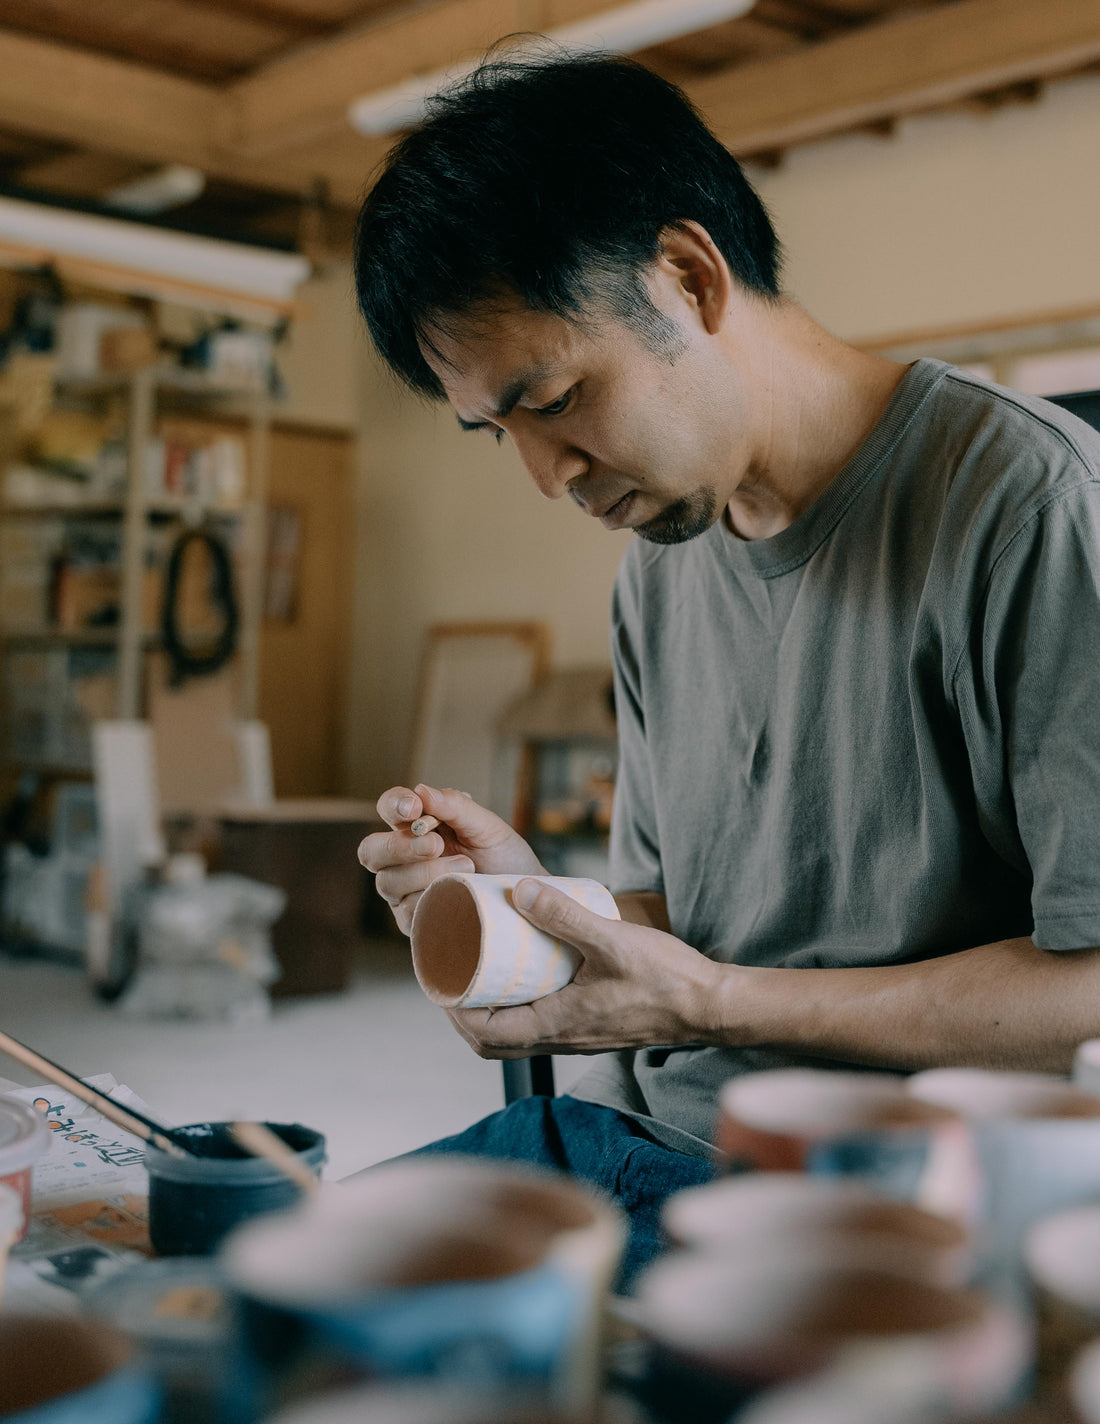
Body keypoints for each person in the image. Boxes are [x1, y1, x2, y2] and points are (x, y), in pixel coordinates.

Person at [353, 51, 1100, 1283]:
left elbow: (1087, 987)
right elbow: (690, 927)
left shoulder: (1026, 507)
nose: (548, 477)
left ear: (688, 277)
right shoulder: (662, 556)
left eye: (554, 398)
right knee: (248, 1280)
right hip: (639, 1135)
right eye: (502, 431)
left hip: (884, 1200)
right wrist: (528, 911)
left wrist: (712, 1005)